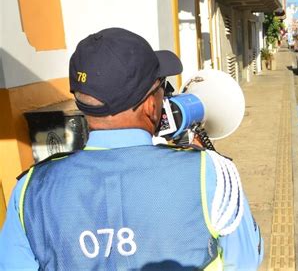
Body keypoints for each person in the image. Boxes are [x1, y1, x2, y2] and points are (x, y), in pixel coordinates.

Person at [0, 28, 263, 270]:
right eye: (162, 87)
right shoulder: (213, 175)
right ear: (150, 105)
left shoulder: (29, 191)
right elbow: (246, 260)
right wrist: (201, 160)